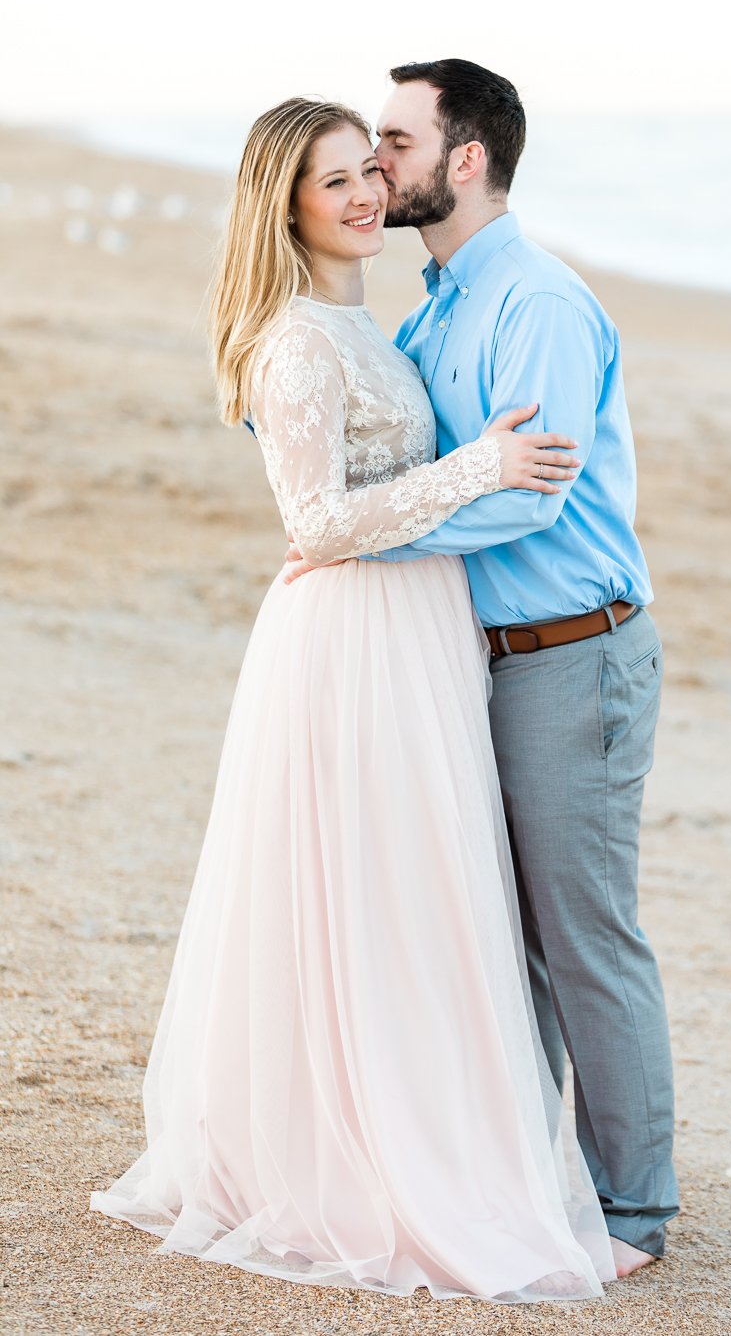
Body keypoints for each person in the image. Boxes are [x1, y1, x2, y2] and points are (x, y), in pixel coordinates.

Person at [89, 96, 617, 1303]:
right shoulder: (294, 342)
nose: (365, 194)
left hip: (418, 628)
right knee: (369, 888)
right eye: (334, 183)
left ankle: (427, 1128)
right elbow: (314, 523)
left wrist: (454, 474)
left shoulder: (363, 321)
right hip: (352, 640)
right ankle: (350, 1152)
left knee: (420, 890)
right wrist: (477, 462)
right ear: (287, 208)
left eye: (367, 171)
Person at [286, 59, 680, 1273]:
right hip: (473, 662)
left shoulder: (537, 305)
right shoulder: (434, 304)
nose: (375, 166)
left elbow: (526, 505)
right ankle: (528, 1178)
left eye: (394, 142)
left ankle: (631, 1213)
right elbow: (382, 451)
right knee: (497, 939)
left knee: (582, 937)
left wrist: (364, 544)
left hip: (572, 658)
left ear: (464, 159)